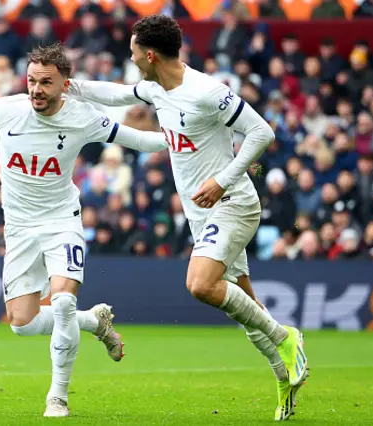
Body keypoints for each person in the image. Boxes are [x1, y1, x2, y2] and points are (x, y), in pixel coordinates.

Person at [0, 43, 168, 418]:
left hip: (62, 221)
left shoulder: (83, 117)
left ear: (65, 84)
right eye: (31, 80)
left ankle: (57, 397)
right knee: (22, 324)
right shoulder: (7, 110)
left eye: (46, 82)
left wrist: (180, 140)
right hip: (20, 229)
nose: (36, 89)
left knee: (62, 303)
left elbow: (137, 140)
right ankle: (95, 321)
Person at [67, 15, 308, 421]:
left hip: (232, 202)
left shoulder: (207, 91)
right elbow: (117, 94)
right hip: (203, 215)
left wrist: (223, 178)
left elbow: (262, 132)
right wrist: (69, 85)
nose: (130, 59)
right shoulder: (158, 88)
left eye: (131, 52)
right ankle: (284, 378)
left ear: (149, 54)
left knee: (199, 284)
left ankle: (287, 337)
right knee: (243, 303)